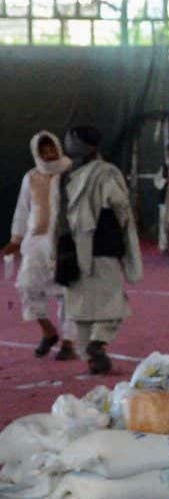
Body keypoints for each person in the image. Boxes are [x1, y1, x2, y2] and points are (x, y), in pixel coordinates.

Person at [56, 126, 142, 375]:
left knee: (81, 302)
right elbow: (119, 204)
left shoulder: (70, 176)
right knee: (112, 300)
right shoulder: (104, 172)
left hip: (73, 247)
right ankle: (97, 344)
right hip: (101, 244)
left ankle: (90, 354)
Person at [3, 131, 78, 360]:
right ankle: (48, 331)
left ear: (58, 147)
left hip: (65, 240)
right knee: (27, 285)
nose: (48, 154)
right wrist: (15, 239)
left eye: (51, 148)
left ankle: (68, 342)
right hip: (35, 241)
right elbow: (23, 209)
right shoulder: (31, 176)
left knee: (67, 292)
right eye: (43, 150)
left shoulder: (70, 171)